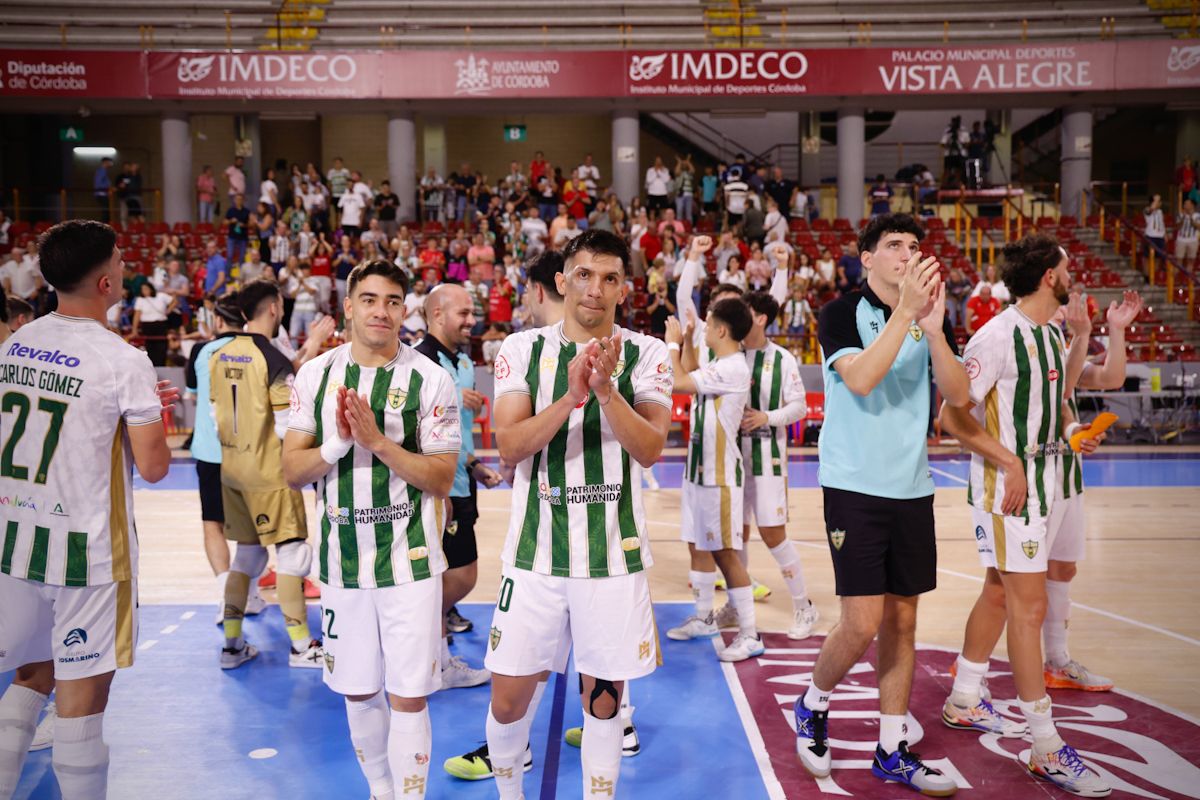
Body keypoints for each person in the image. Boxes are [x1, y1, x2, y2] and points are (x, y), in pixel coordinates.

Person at [482, 230, 672, 800]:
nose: (596, 289)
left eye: (610, 278)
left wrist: (608, 392)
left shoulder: (648, 353)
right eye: (584, 275)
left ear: (623, 288)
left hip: (613, 557)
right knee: (508, 698)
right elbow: (510, 446)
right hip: (534, 555)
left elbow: (650, 450)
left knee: (604, 697)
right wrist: (570, 397)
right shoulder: (521, 350)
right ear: (562, 281)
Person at [794, 214, 968, 795]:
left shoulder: (927, 318)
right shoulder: (841, 312)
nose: (906, 254)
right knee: (862, 621)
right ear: (866, 258)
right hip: (853, 485)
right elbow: (863, 379)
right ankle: (814, 702)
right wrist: (905, 315)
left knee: (903, 620)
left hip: (913, 487)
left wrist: (937, 332)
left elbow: (960, 395)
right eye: (894, 245)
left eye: (914, 245)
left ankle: (891, 747)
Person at [0, 220, 174, 798]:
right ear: (105, 281)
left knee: (31, 674)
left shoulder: (17, 342)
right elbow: (153, 467)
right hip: (87, 554)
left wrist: (134, 411)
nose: (125, 265)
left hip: (17, 538)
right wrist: (150, 414)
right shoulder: (123, 360)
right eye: (121, 260)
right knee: (81, 700)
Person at [938, 233, 1111, 797]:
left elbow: (1054, 402)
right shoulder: (995, 338)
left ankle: (964, 698)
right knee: (1028, 608)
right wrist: (1008, 460)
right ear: (1047, 278)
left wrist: (1071, 432)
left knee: (997, 591)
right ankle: (1044, 745)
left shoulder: (1053, 332)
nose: (1073, 276)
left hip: (1045, 478)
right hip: (1008, 488)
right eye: (1067, 269)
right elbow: (952, 416)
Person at [281, 260, 461, 800]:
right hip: (341, 563)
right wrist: (338, 444)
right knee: (358, 693)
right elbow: (292, 471)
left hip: (412, 561)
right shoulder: (315, 375)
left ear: (404, 310)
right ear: (349, 306)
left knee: (409, 695)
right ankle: (382, 790)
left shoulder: (431, 378)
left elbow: (442, 477)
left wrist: (378, 441)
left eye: (391, 300)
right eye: (369, 299)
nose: (380, 310)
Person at [208, 280, 324, 671]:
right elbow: (285, 426)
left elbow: (213, 416)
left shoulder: (220, 355)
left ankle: (232, 645)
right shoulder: (272, 359)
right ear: (274, 308)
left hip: (232, 471)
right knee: (293, 553)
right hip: (270, 473)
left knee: (248, 555)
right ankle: (302, 646)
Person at [1036, 289, 1142, 695]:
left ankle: (1057, 661)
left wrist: (1116, 331)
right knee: (1009, 580)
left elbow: (1111, 378)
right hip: (1032, 477)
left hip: (1068, 475)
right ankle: (970, 665)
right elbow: (1061, 391)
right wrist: (1081, 338)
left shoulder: (1065, 346)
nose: (1069, 308)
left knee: (1063, 570)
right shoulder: (1032, 343)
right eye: (1063, 300)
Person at [664, 294, 761, 661]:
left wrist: (672, 341)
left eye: (706, 321)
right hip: (699, 471)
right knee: (697, 543)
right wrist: (687, 340)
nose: (703, 324)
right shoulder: (722, 362)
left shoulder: (734, 367)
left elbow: (678, 381)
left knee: (725, 552)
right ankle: (705, 617)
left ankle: (750, 634)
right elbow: (690, 372)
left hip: (720, 475)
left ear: (721, 329)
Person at [416, 284, 502, 690]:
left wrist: (474, 463)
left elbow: (458, 435)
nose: (472, 321)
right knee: (458, 575)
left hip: (463, 479)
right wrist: (440, 490)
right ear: (436, 314)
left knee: (456, 573)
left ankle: (435, 655)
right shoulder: (417, 363)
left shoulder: (464, 362)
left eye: (473, 313)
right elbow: (413, 432)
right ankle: (428, 653)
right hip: (438, 485)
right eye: (463, 313)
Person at [726, 290, 817, 639]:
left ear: (760, 318)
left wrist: (765, 416)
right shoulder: (730, 354)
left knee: (773, 534)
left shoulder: (782, 359)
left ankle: (804, 606)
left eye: (745, 311)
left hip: (768, 460)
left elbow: (799, 408)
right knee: (738, 535)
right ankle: (737, 606)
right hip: (732, 461)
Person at [131, 282, 174, 367]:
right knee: (150, 348)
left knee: (161, 348)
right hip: (147, 326)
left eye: (146, 289)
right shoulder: (140, 300)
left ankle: (161, 366)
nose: (144, 291)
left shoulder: (161, 296)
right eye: (142, 289)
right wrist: (134, 329)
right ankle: (152, 367)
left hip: (160, 324)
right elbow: (137, 315)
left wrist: (169, 310)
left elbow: (174, 300)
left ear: (151, 289)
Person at [223, 194, 251, 266]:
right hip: (232, 236)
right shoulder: (230, 210)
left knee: (242, 257)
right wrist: (231, 221)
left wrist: (244, 225)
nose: (238, 201)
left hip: (243, 237)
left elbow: (251, 224)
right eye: (237, 199)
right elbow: (224, 222)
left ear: (243, 201)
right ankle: (228, 276)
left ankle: (242, 275)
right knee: (229, 255)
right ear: (234, 200)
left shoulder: (247, 211)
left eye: (240, 199)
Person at [1175, 197, 1199, 271]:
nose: (1185, 205)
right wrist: (1183, 218)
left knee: (1191, 260)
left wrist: (1191, 217)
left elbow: (1198, 226)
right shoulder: (1180, 214)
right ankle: (1177, 279)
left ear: (1192, 205)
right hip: (1181, 239)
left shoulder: (1197, 215)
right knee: (1179, 260)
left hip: (1193, 240)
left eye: (1187, 203)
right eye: (1185, 204)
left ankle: (1188, 280)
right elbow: (1178, 227)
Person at [1143, 194, 1166, 259]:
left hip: (1160, 236)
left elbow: (1161, 223)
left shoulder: (1160, 212)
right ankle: (1147, 269)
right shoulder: (1146, 209)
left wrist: (1164, 234)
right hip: (1150, 236)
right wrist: (1156, 200)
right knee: (1148, 256)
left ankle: (1155, 269)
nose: (1160, 203)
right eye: (1158, 201)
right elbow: (1149, 211)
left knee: (1158, 256)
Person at [93, 156, 113, 222]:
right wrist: (108, 187)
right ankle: (103, 228)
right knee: (106, 213)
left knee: (106, 212)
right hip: (101, 194)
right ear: (105, 162)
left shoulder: (103, 171)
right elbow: (98, 184)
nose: (111, 164)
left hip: (103, 194)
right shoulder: (102, 171)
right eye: (110, 162)